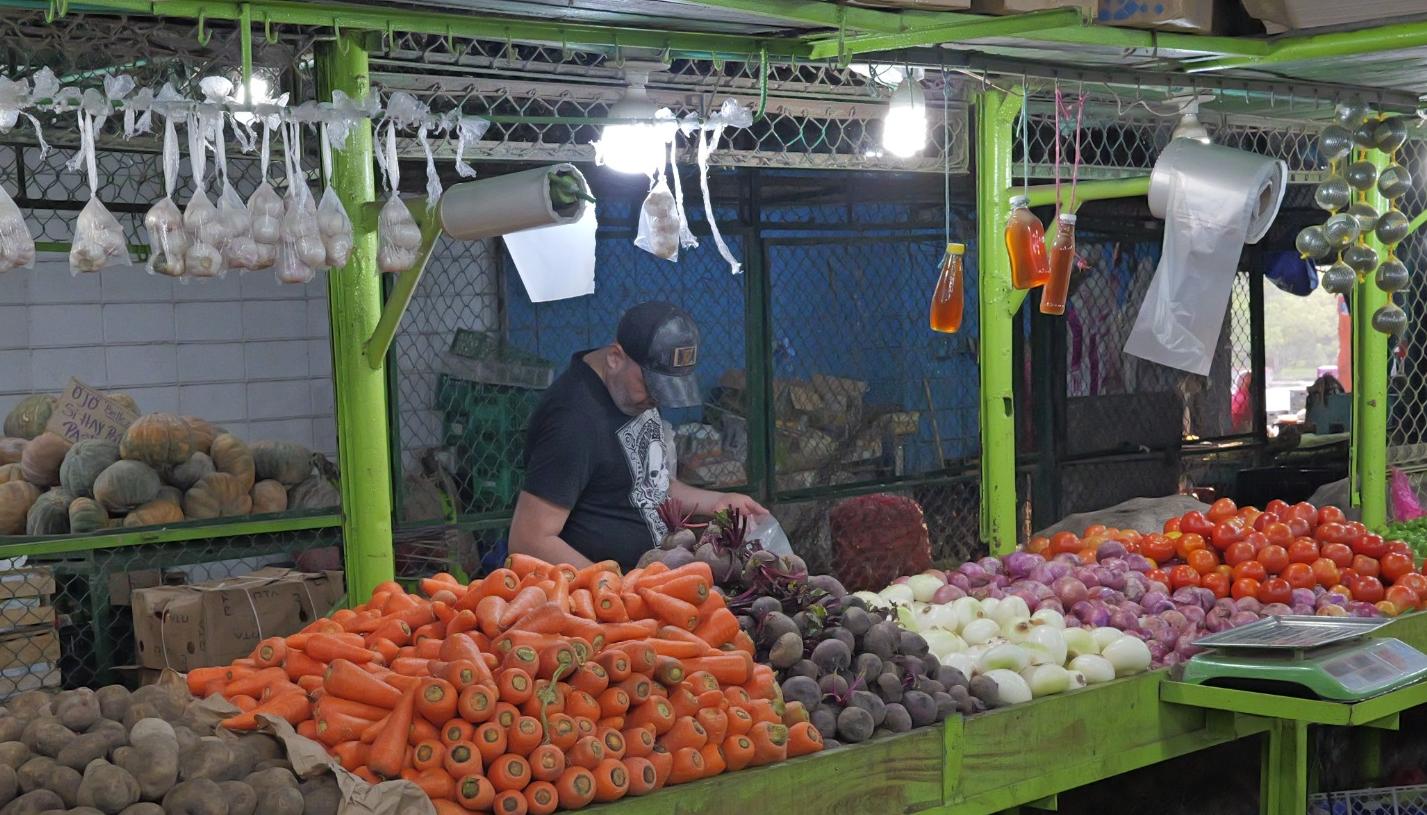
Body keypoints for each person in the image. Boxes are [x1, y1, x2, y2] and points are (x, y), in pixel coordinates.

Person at [508, 301, 767, 569]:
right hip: (598, 600)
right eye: (651, 385)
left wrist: (718, 502)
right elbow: (529, 539)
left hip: (647, 587)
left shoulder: (630, 394)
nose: (657, 399)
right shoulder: (573, 420)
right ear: (615, 358)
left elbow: (649, 484)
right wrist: (613, 590)